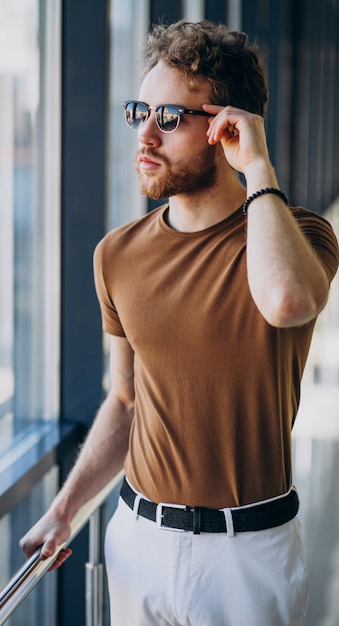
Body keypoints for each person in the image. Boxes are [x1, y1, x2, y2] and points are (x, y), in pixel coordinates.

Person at [20, 20, 339, 625]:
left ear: (227, 129)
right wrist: (65, 508)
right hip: (139, 540)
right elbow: (125, 398)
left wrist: (259, 170)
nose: (145, 134)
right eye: (140, 110)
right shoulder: (116, 254)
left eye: (169, 118)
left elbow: (287, 302)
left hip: (250, 553)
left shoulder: (301, 236)